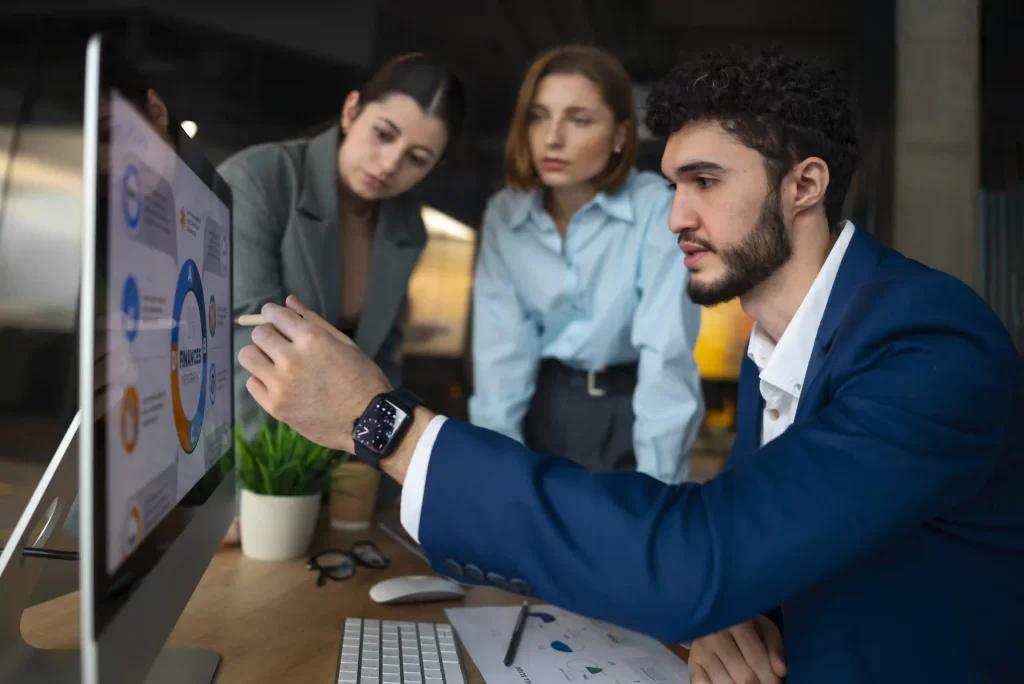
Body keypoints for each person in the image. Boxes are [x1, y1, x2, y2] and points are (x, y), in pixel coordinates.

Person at [236, 47, 1024, 684]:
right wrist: (729, 596)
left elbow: (700, 553)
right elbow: (758, 538)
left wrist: (389, 428)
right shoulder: (778, 342)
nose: (676, 214)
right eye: (676, 183)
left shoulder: (927, 346)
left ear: (805, 186)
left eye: (706, 183)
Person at [217, 53, 466, 543]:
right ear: (352, 111)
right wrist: (267, 487)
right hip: (235, 454)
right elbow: (247, 348)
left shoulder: (406, 228)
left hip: (332, 464)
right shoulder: (259, 179)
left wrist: (379, 462)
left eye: (418, 158)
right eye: (383, 133)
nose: (391, 163)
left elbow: (383, 359)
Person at [469, 45, 703, 483]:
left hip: (630, 408)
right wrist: (496, 475)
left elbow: (666, 356)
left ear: (620, 136)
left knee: (622, 539)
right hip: (540, 402)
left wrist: (658, 489)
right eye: (539, 116)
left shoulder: (658, 210)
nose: (552, 138)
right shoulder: (505, 213)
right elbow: (500, 356)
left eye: (579, 120)